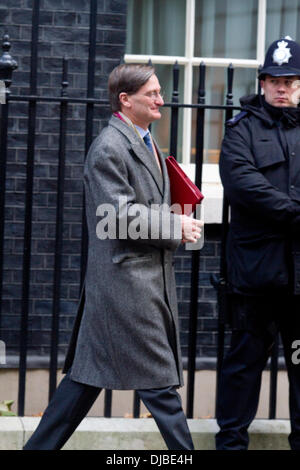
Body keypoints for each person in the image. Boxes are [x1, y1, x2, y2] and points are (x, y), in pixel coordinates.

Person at [23, 63, 203, 450]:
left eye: (159, 92)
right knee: (160, 387)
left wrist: (178, 214)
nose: (160, 99)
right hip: (127, 286)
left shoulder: (144, 140)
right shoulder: (109, 146)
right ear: (125, 99)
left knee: (82, 383)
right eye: (151, 93)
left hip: (136, 282)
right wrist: (175, 226)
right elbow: (117, 215)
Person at [215, 37, 300, 451]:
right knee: (244, 368)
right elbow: (244, 185)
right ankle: (231, 444)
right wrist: (294, 212)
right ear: (262, 83)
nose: (281, 87)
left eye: (289, 80)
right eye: (273, 79)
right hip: (255, 274)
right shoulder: (240, 131)